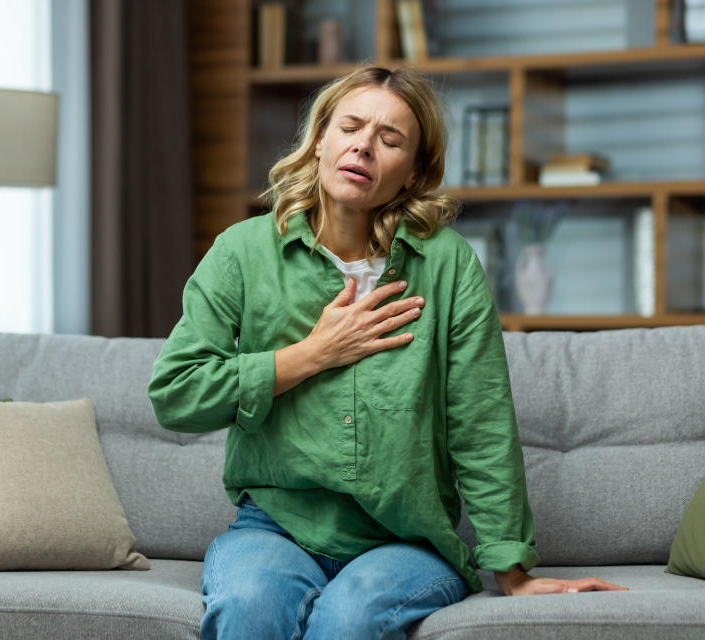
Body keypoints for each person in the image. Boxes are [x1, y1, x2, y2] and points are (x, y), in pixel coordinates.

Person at [148, 65, 626, 640]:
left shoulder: (447, 264)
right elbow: (176, 395)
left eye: (390, 139)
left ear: (413, 173)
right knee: (250, 606)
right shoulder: (243, 251)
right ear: (320, 138)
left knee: (349, 619)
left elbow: (480, 423)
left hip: (405, 539)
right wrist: (313, 353)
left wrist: (511, 568)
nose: (363, 147)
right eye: (350, 127)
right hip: (274, 529)